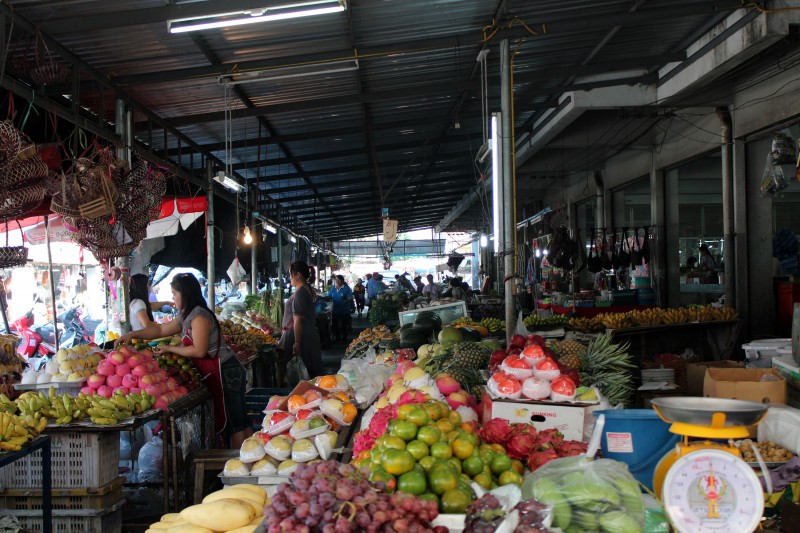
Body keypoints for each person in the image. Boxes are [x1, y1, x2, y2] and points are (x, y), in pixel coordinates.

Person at [116, 273, 252, 449]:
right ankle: (248, 461)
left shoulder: (198, 316)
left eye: (174, 294)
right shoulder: (186, 315)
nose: (173, 298)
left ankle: (240, 469)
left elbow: (199, 350)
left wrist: (169, 348)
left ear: (185, 293)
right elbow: (159, 331)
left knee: (235, 423)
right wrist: (132, 334)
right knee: (240, 420)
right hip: (222, 370)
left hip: (226, 370)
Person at [281, 261, 323, 377]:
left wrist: (297, 343)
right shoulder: (307, 289)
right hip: (308, 335)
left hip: (302, 338)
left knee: (302, 375)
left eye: (291, 275)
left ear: (298, 275)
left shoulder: (300, 293)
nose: (290, 278)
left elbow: (298, 319)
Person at [329, 275, 353, 343]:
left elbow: (350, 298)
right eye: (336, 280)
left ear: (342, 281)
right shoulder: (333, 289)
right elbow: (329, 297)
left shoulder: (346, 288)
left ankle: (344, 338)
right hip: (335, 310)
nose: (337, 281)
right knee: (335, 325)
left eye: (339, 280)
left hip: (344, 310)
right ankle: (337, 338)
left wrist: (345, 301)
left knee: (344, 325)